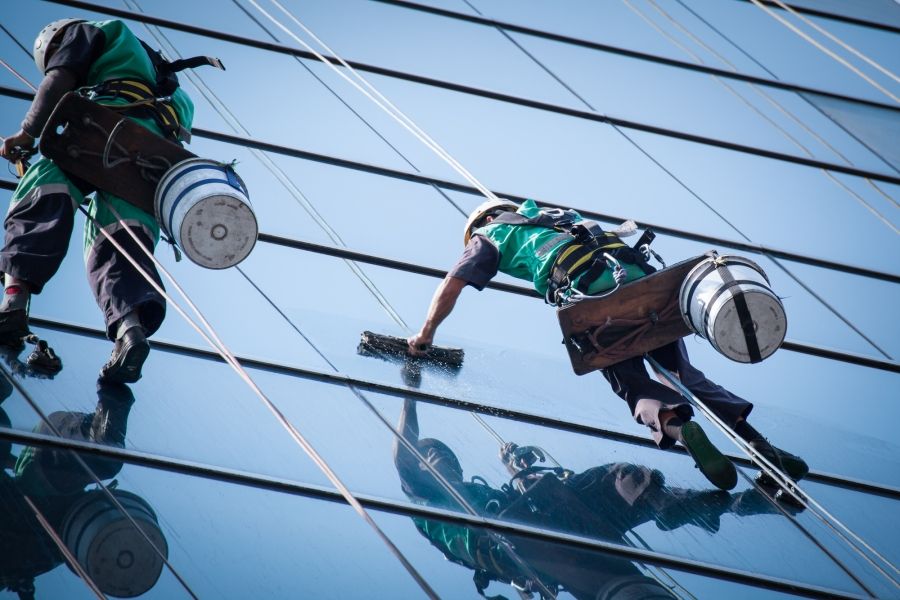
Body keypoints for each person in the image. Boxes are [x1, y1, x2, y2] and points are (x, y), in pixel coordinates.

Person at [407, 199, 807, 491]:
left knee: (633, 385)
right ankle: (761, 446)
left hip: (594, 300)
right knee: (685, 376)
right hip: (644, 285)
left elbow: (452, 284)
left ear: (484, 220)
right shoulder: (558, 217)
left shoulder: (492, 233)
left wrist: (426, 334)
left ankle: (679, 429)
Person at [394, 398, 793, 599]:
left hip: (546, 521)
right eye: (430, 455)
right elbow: (402, 453)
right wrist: (409, 382)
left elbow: (521, 499)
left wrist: (516, 471)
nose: (439, 459)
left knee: (627, 477)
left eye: (445, 454)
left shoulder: (475, 491)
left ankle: (734, 504)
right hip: (521, 545)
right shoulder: (425, 502)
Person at [0, 18, 196, 383]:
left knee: (41, 190)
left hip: (98, 130)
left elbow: (59, 79)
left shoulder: (92, 31)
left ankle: (13, 300)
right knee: (117, 242)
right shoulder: (173, 88)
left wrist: (27, 134)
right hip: (151, 163)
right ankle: (129, 332)